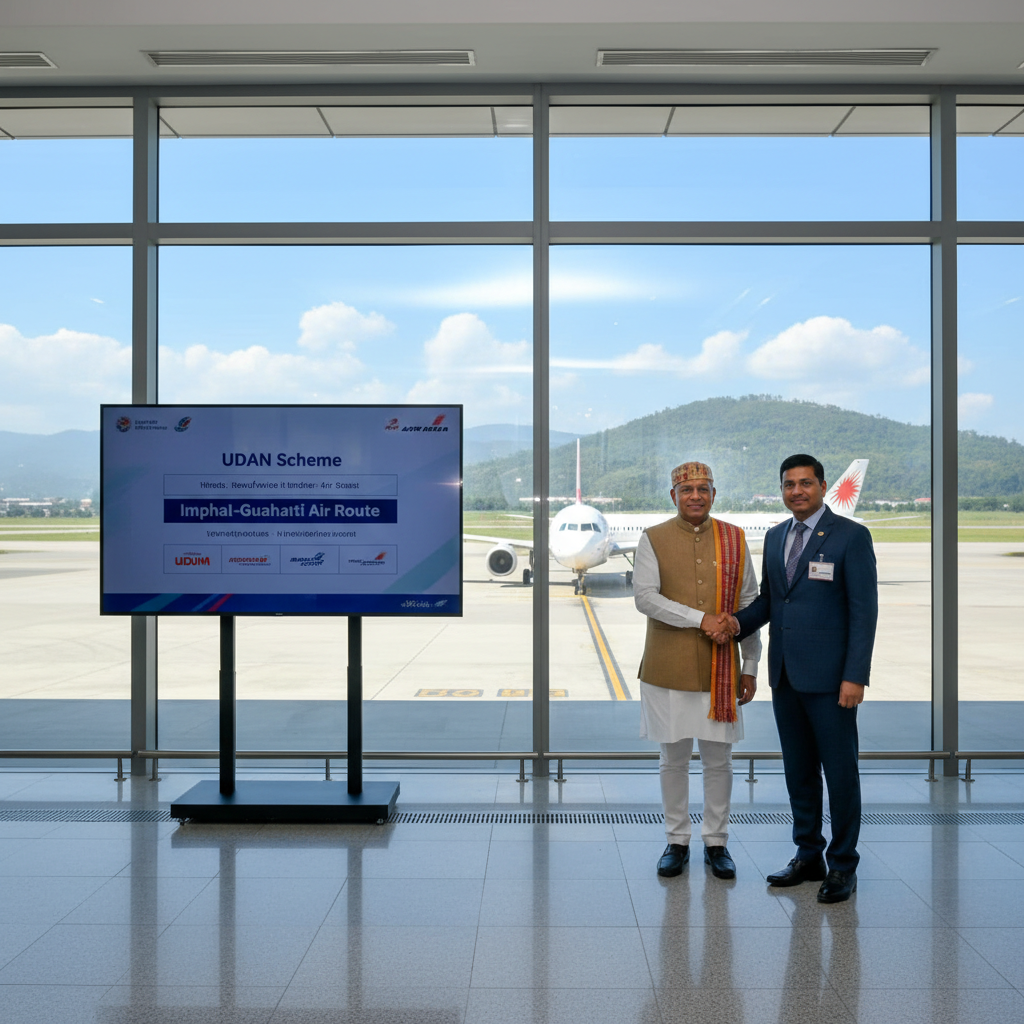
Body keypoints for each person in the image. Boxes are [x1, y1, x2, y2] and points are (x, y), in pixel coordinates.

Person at [731, 454, 878, 904]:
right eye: (789, 485)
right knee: (798, 773)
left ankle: (844, 865)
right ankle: (808, 854)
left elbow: (863, 611)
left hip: (834, 682)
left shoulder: (850, 536)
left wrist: (855, 676)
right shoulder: (775, 538)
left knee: (840, 774)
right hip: (787, 678)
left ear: (822, 486)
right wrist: (734, 623)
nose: (797, 491)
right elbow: (773, 603)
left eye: (805, 483)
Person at [634, 460, 760, 880]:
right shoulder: (653, 539)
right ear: (673, 496)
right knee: (672, 758)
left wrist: (752, 665)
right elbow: (646, 598)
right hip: (666, 667)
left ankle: (717, 842)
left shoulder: (734, 538)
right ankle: (676, 840)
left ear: (713, 494)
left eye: (703, 489)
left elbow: (749, 605)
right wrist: (700, 618)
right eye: (687, 490)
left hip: (721, 668)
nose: (695, 496)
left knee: (719, 759)